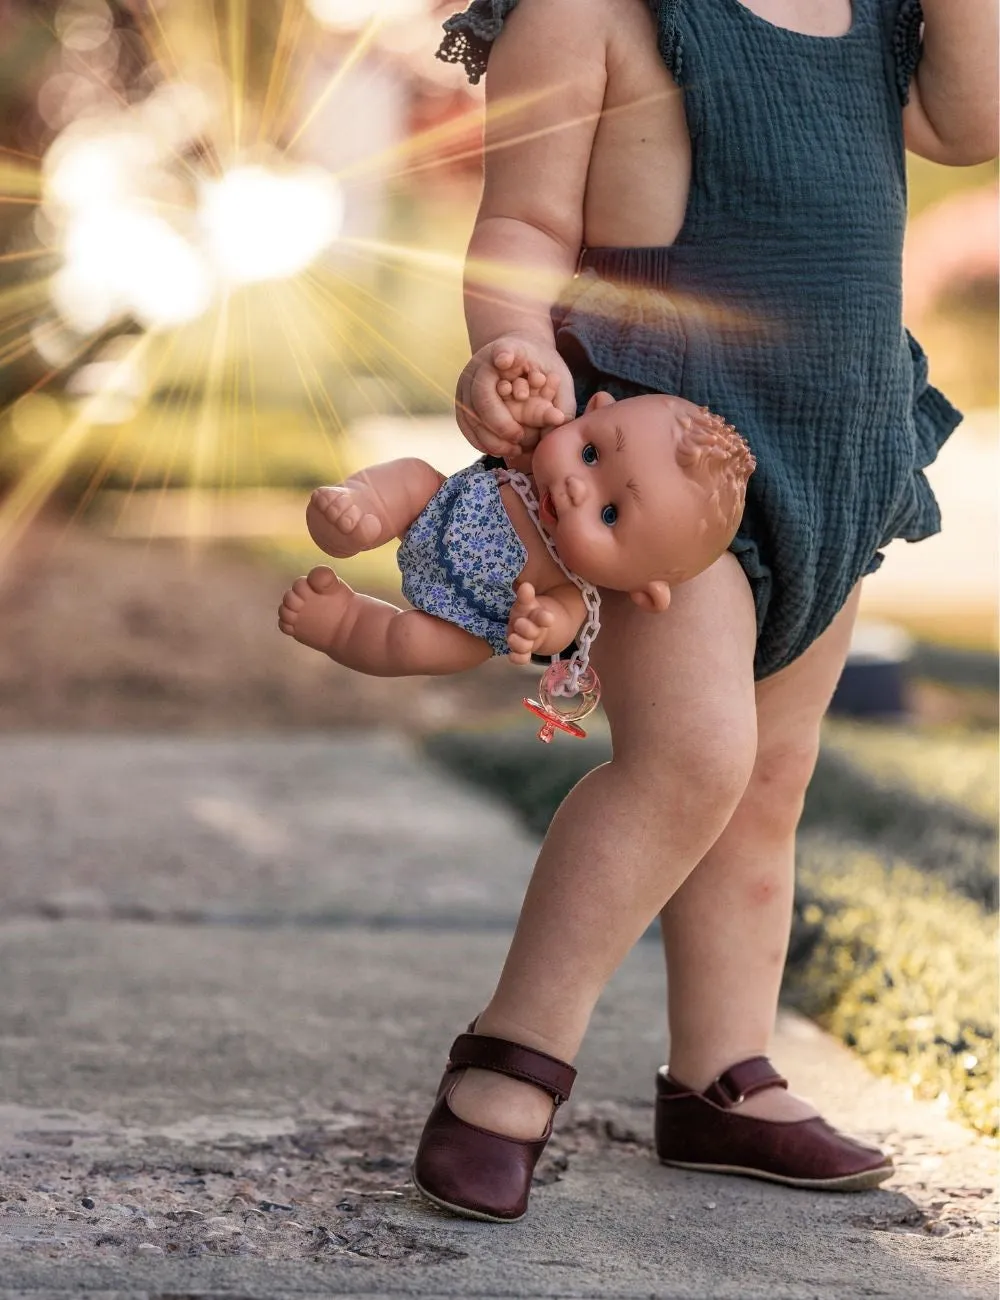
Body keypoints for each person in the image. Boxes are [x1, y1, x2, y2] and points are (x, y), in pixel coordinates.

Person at [409, 0, 998, 1222]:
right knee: (692, 762)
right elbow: (521, 217)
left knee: (768, 779)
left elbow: (969, 120)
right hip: (660, 472)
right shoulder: (594, 12)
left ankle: (720, 1078)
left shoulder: (877, 12)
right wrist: (508, 345)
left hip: (836, 455)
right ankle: (509, 1061)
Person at [278, 389, 754, 673]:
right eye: (590, 454)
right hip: (436, 507)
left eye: (610, 515)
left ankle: (342, 623)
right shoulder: (532, 464)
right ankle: (355, 515)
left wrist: (538, 626)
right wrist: (520, 406)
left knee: (413, 644)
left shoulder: (572, 590)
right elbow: (509, 432)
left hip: (465, 621)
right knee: (411, 478)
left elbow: (558, 626)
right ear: (591, 411)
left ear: (642, 591)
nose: (574, 488)